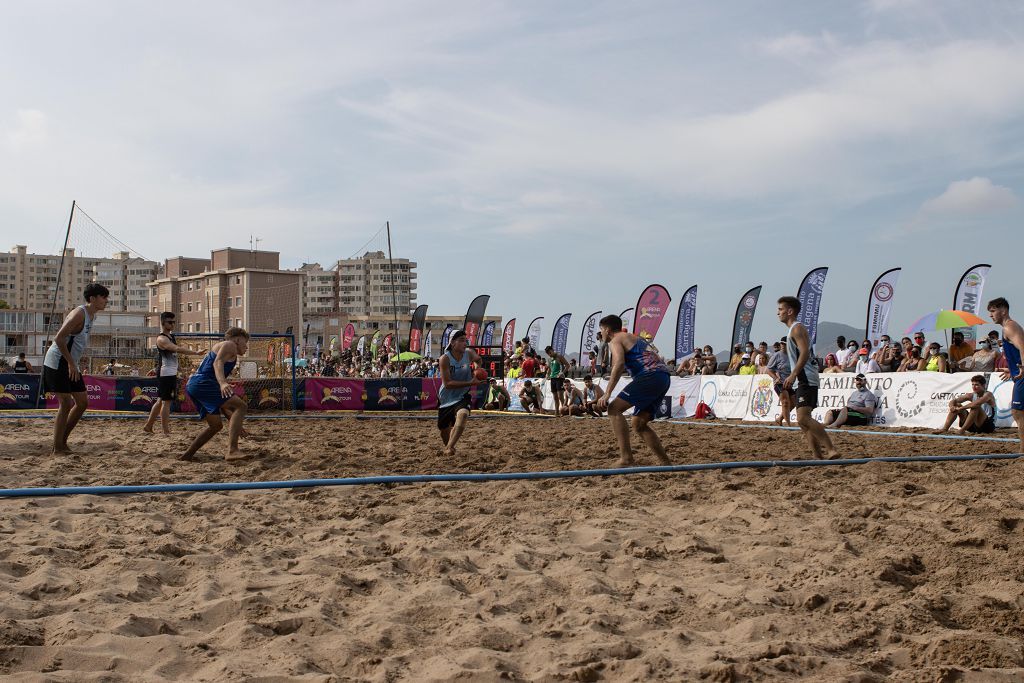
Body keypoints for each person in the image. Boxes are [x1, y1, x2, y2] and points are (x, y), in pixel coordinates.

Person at [595, 314, 671, 467]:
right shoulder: (633, 337)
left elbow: (619, 363)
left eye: (601, 330)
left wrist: (608, 392)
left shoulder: (615, 339)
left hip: (650, 375)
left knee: (614, 408)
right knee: (638, 423)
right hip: (663, 377)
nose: (601, 334)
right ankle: (666, 463)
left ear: (607, 329)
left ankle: (626, 459)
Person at [42, 283, 110, 454]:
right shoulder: (79, 314)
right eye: (103, 297)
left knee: (82, 403)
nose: (106, 300)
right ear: (92, 299)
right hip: (58, 361)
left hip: (71, 362)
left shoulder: (91, 315)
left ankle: (62, 440)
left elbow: (75, 341)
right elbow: (58, 338)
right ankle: (58, 447)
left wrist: (75, 362)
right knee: (65, 403)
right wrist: (72, 363)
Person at [777, 296, 838, 459]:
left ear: (790, 311)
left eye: (781, 309)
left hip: (806, 377)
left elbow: (804, 352)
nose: (778, 313)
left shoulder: (797, 328)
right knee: (803, 422)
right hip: (801, 378)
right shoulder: (792, 330)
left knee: (803, 417)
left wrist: (794, 373)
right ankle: (818, 456)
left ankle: (831, 449)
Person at [181, 327, 251, 461]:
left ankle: (187, 455)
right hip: (203, 382)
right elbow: (217, 362)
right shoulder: (229, 345)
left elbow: (222, 404)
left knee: (216, 426)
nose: (246, 346)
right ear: (237, 339)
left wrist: (235, 424)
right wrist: (223, 383)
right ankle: (232, 450)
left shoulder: (230, 353)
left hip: (196, 384)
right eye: (245, 342)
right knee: (241, 406)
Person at [143, 312, 201, 435]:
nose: (172, 324)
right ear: (163, 323)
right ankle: (165, 431)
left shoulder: (171, 336)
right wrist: (195, 353)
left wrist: (179, 369)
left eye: (174, 322)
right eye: (170, 322)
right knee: (166, 402)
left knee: (160, 401)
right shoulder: (162, 338)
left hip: (169, 372)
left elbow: (173, 356)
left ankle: (148, 426)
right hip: (166, 373)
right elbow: (176, 349)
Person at [435, 329, 484, 456]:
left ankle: (450, 446)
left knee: (463, 415)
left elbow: (478, 360)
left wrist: (477, 370)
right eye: (461, 340)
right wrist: (471, 383)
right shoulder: (444, 359)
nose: (465, 343)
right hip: (446, 398)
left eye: (465, 340)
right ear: (452, 343)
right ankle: (449, 447)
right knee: (444, 430)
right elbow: (448, 384)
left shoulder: (469, 353)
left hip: (462, 395)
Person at [988, 297, 1024, 452]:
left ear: (1003, 310)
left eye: (993, 311)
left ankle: (1023, 451)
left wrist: (1022, 367)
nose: (990, 315)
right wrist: (1012, 368)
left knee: (1018, 412)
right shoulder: (1009, 327)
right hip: (1018, 374)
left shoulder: (1009, 327)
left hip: (1022, 376)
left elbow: (1023, 347)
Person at [765, 337, 794, 427]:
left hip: (790, 382)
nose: (782, 345)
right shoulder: (777, 355)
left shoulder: (793, 356)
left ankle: (779, 418)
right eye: (781, 343)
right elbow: (768, 370)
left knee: (794, 402)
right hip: (779, 382)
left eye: (784, 344)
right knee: (785, 402)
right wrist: (775, 378)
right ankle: (788, 425)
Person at [545, 346, 570, 417]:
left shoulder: (559, 356)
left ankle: (564, 411)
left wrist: (562, 373)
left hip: (559, 378)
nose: (549, 354)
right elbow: (550, 368)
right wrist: (547, 374)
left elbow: (567, 365)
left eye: (550, 352)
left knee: (560, 396)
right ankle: (557, 412)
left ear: (553, 350)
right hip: (552, 378)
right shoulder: (549, 359)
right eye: (548, 353)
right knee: (555, 397)